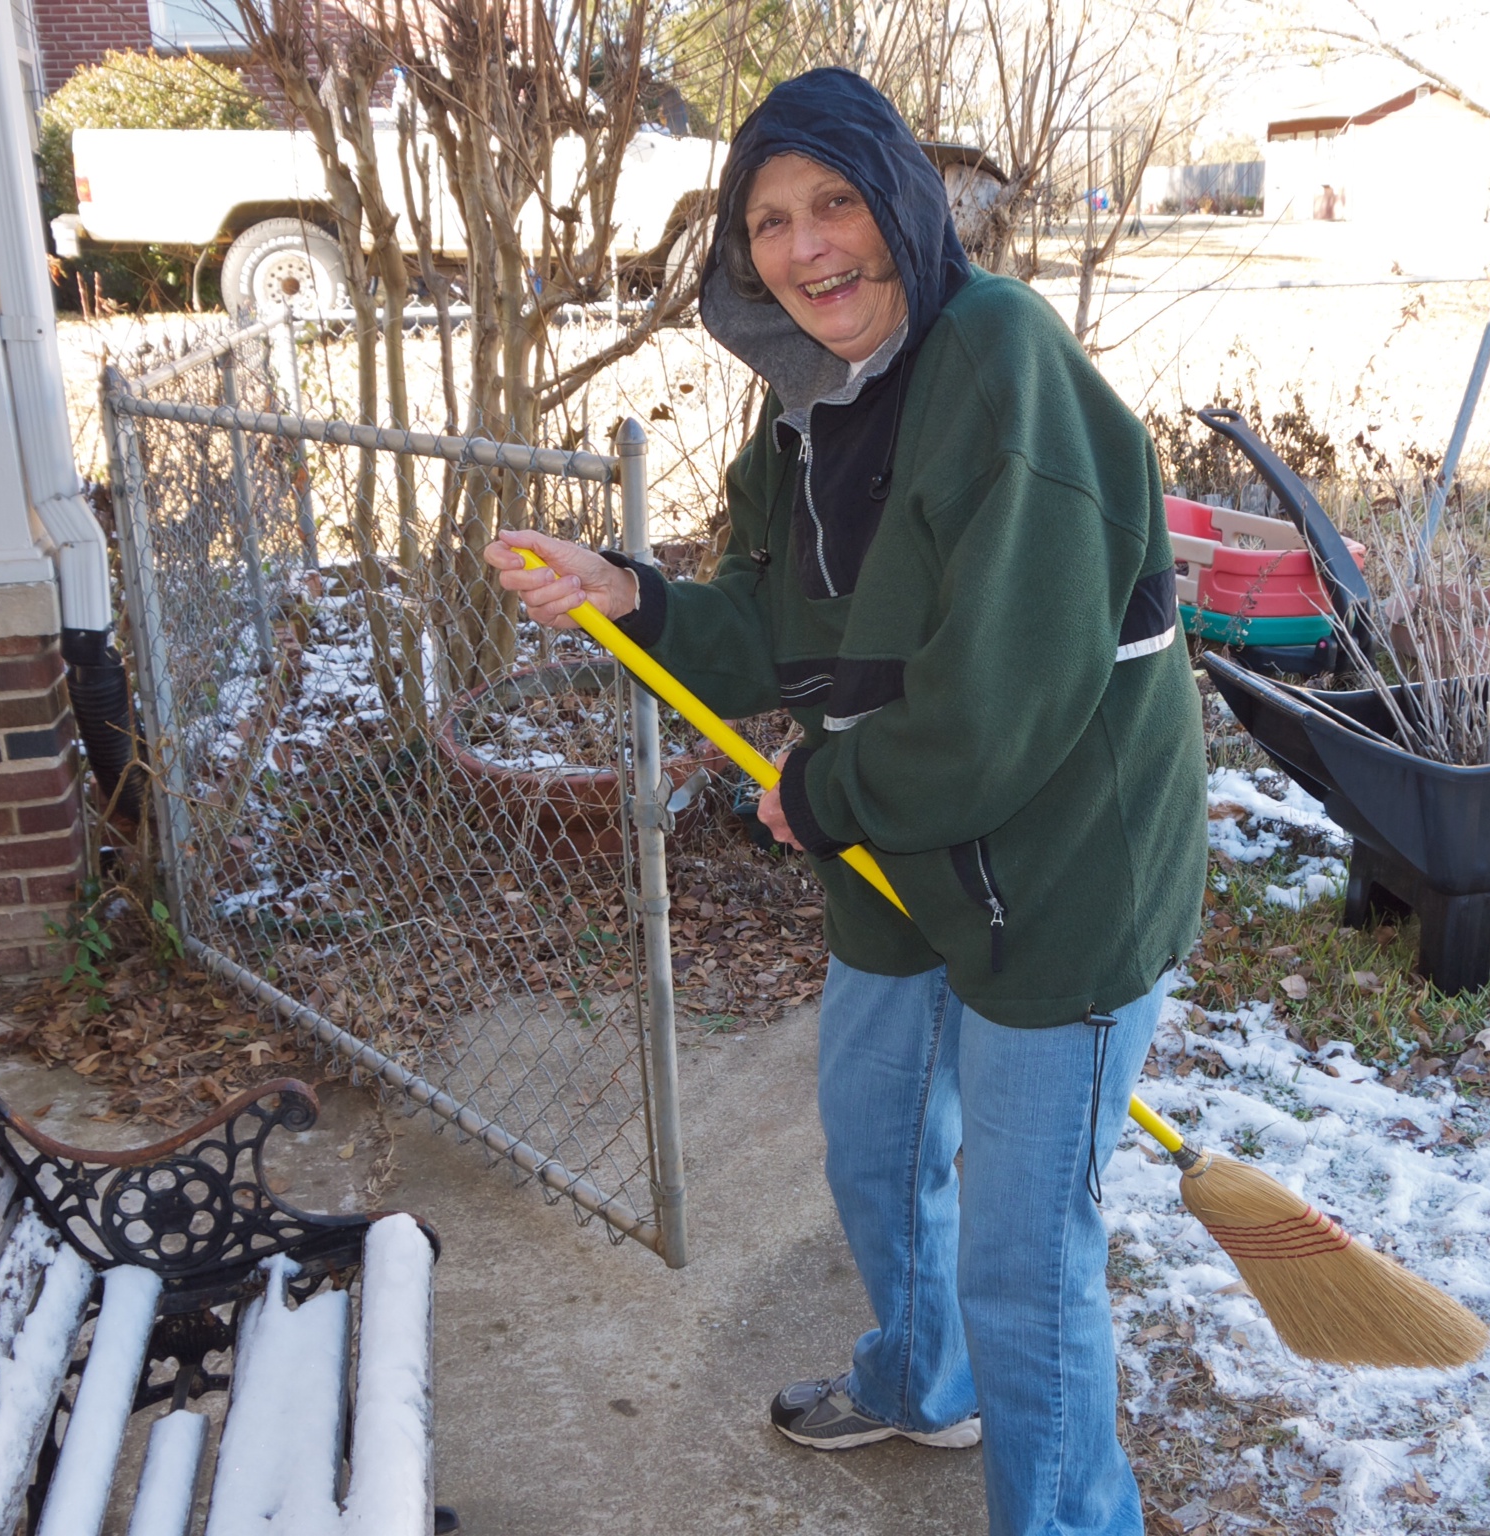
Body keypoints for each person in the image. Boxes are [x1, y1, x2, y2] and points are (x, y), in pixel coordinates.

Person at [484, 68, 1205, 1536]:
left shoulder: (1001, 360)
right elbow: (771, 619)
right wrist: (632, 598)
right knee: (876, 1146)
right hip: (902, 859)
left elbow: (1001, 704)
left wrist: (828, 789)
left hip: (1058, 875)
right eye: (769, 222)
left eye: (835, 202)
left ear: (905, 205)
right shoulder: (808, 409)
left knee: (1024, 1259)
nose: (808, 247)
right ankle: (923, 1382)